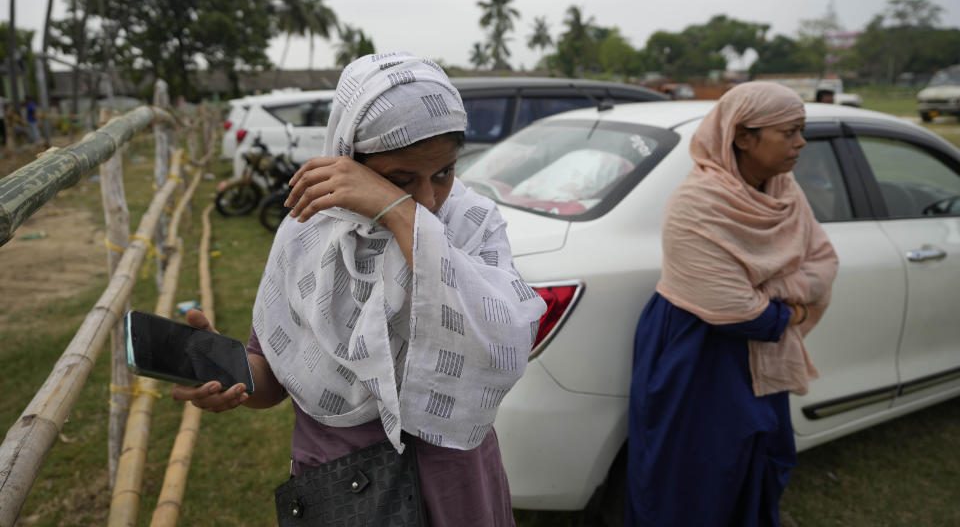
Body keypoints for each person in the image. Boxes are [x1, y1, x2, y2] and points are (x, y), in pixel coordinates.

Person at [173, 52, 546, 526]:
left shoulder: (471, 225)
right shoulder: (308, 232)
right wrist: (227, 375)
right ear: (349, 157)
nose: (429, 200)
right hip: (339, 488)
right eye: (399, 179)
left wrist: (399, 210)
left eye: (444, 173)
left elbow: (502, 345)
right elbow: (271, 377)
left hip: (453, 485)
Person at [626, 82, 839, 526]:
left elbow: (824, 262)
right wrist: (790, 307)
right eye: (790, 132)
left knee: (758, 461)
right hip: (697, 356)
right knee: (693, 476)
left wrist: (773, 294)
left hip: (760, 357)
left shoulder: (785, 192)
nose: (801, 143)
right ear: (743, 137)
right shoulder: (697, 203)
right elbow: (735, 308)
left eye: (802, 131)